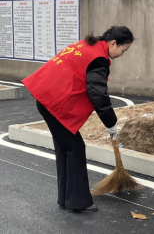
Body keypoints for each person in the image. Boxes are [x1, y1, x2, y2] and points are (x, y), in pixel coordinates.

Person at [22, 26, 134, 213]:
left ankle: (66, 198)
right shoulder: (98, 58)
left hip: (46, 97)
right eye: (123, 50)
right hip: (52, 102)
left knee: (65, 147)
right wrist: (110, 122)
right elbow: (97, 93)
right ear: (113, 43)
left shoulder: (87, 46)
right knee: (75, 148)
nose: (122, 54)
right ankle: (78, 201)